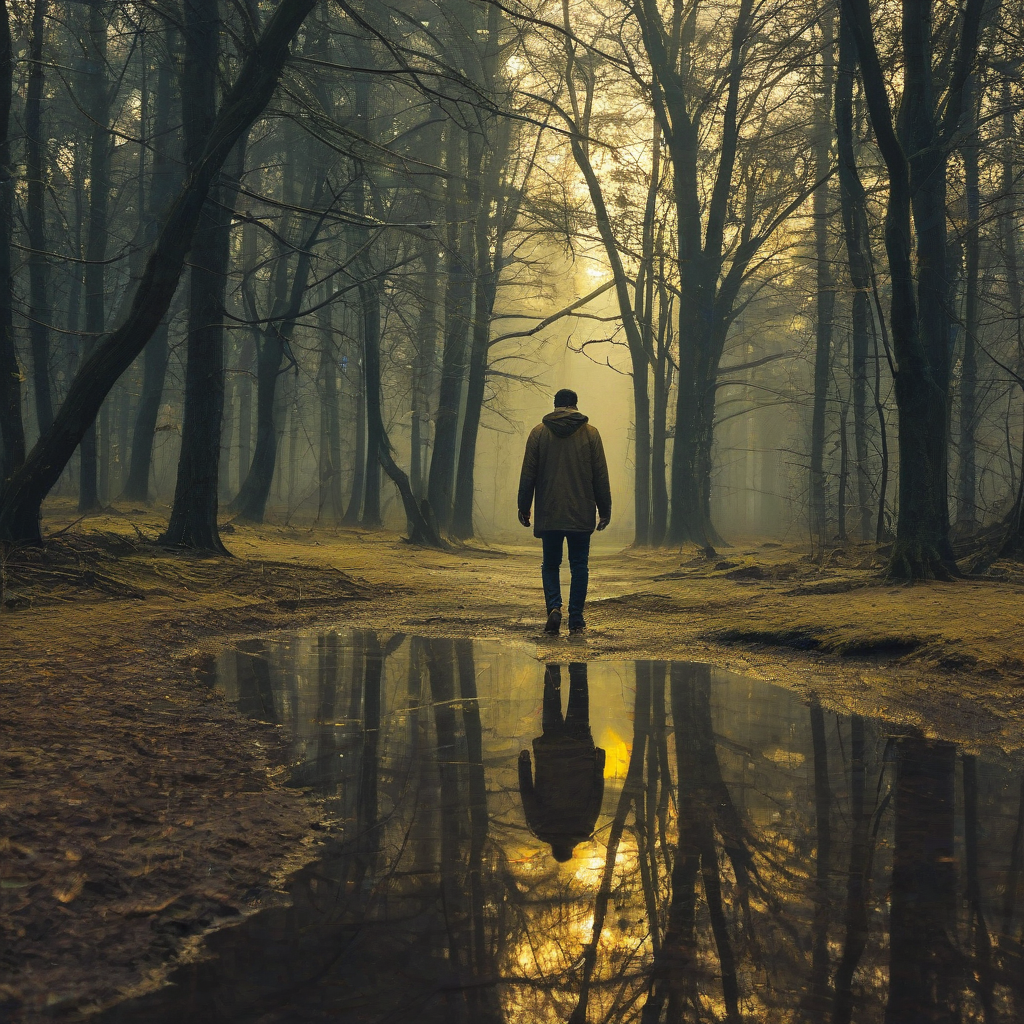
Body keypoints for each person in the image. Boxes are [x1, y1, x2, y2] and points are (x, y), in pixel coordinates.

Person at [517, 388, 611, 635]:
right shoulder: (591, 434)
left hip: (550, 512)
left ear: (555, 405)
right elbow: (600, 474)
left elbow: (528, 474)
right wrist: (605, 509)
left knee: (550, 564)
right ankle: (577, 619)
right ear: (575, 405)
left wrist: (524, 507)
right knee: (579, 564)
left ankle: (554, 608)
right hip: (581, 511)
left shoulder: (539, 433)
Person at [518, 663, 606, 862]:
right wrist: (524, 764)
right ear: (553, 849)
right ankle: (552, 665)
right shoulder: (540, 826)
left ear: (571, 850)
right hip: (551, 752)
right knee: (551, 701)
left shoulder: (584, 827)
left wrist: (599, 765)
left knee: (579, 696)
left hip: (580, 752)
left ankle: (578, 663)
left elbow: (596, 794)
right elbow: (527, 794)